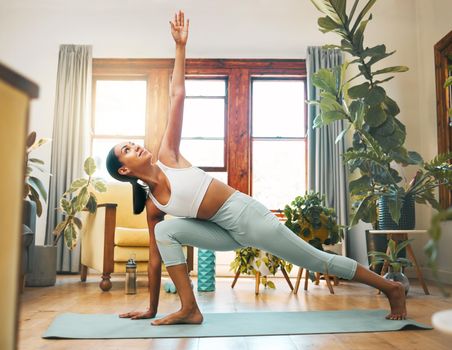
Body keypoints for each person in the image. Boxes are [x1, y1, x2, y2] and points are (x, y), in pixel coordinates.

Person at [106, 10, 407, 326]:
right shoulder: (153, 206)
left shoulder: (169, 155)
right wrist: (151, 308)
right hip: (222, 234)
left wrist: (180, 47)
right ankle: (190, 309)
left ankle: (391, 287)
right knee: (165, 231)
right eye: (127, 150)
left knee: (317, 260)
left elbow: (177, 94)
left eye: (131, 142)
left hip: (247, 217)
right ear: (125, 170)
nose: (135, 145)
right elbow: (156, 260)